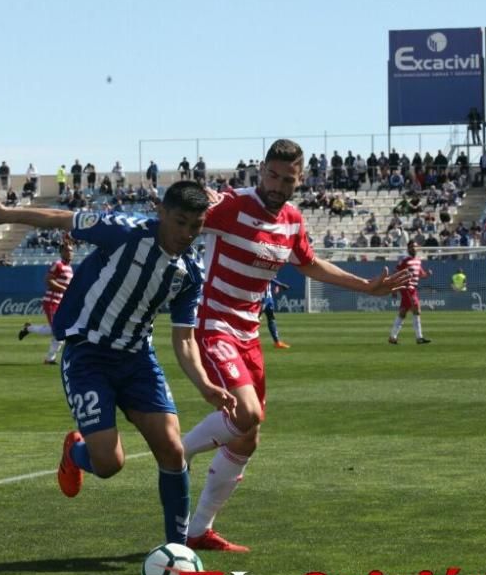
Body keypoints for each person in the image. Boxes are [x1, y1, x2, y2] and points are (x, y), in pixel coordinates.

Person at [178, 139, 410, 552]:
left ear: (299, 181)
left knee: (247, 438)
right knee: (245, 414)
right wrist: (199, 198)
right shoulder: (231, 206)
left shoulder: (292, 221)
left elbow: (309, 264)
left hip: (249, 336)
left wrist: (365, 287)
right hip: (214, 325)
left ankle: (197, 530)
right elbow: (177, 217)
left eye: (288, 179)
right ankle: (176, 453)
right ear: (260, 170)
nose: (277, 185)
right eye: (272, 175)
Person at [0, 181, 235, 547]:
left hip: (137, 360)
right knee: (108, 464)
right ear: (161, 212)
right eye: (180, 222)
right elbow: (60, 218)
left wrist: (205, 386)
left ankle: (178, 552)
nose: (186, 233)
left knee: (172, 449)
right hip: (89, 356)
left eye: (195, 226)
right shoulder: (124, 231)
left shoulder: (190, 274)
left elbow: (183, 339)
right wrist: (6, 215)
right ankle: (74, 451)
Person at [18, 239, 75, 364]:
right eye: (67, 251)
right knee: (59, 330)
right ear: (61, 252)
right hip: (52, 301)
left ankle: (29, 328)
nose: (70, 253)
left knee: (55, 329)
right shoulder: (58, 264)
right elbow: (48, 280)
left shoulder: (69, 268)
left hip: (61, 303)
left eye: (71, 251)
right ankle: (50, 359)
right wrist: (65, 289)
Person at [388, 240, 431, 345]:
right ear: (408, 249)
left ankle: (392, 337)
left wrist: (427, 274)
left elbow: (421, 274)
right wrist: (394, 288)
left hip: (413, 288)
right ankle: (419, 337)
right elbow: (396, 273)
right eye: (412, 247)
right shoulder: (405, 261)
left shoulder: (418, 261)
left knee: (402, 313)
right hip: (408, 288)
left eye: (415, 247)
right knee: (417, 310)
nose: (414, 249)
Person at [260, 278, 291, 349]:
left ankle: (277, 342)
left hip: (268, 298)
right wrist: (280, 284)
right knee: (254, 320)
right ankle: (244, 341)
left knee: (271, 318)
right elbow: (268, 277)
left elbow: (272, 277)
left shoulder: (272, 268)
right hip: (260, 298)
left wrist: (277, 286)